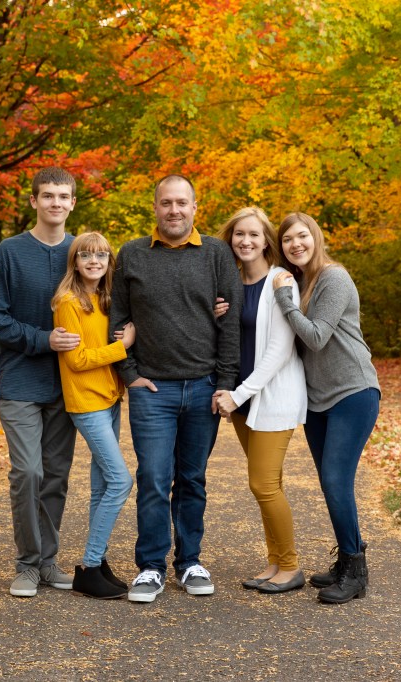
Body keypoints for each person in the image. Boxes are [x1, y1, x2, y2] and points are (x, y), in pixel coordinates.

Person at [109, 174, 242, 603]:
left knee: (192, 479)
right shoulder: (131, 254)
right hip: (153, 391)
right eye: (166, 203)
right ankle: (150, 567)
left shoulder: (216, 254)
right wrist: (129, 374)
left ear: (195, 207)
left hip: (203, 386)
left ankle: (189, 562)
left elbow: (230, 325)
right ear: (155, 207)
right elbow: (118, 320)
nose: (174, 211)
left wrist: (224, 384)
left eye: (182, 203)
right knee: (152, 478)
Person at [272, 212, 381, 604]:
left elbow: (316, 337)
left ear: (316, 238)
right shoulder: (297, 281)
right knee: (330, 482)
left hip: (353, 391)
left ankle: (356, 571)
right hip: (317, 399)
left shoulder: (334, 277)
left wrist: (285, 301)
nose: (295, 244)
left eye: (302, 236)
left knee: (336, 480)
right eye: (287, 240)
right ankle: (348, 556)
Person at [0, 166, 81, 598]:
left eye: (63, 196)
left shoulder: (82, 251)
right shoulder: (9, 251)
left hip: (68, 383)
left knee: (56, 476)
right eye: (47, 196)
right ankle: (26, 564)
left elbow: (112, 303)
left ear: (72, 203)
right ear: (34, 202)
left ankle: (48, 562)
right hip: (21, 380)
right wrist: (44, 340)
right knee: (28, 471)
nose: (55, 203)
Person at [211, 207, 308, 594]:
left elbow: (280, 350)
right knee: (269, 485)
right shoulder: (231, 282)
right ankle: (275, 562)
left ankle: (291, 566)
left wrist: (239, 394)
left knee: (264, 485)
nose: (245, 241)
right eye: (238, 234)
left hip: (270, 397)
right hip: (241, 401)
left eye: (254, 234)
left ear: (267, 239)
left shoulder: (280, 281)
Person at [51, 232, 135, 599]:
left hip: (109, 399)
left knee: (103, 486)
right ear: (75, 261)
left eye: (101, 255)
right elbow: (78, 359)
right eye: (86, 255)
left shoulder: (104, 299)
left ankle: (97, 564)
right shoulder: (67, 302)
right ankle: (87, 565)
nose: (94, 261)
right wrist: (122, 348)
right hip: (86, 403)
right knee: (120, 482)